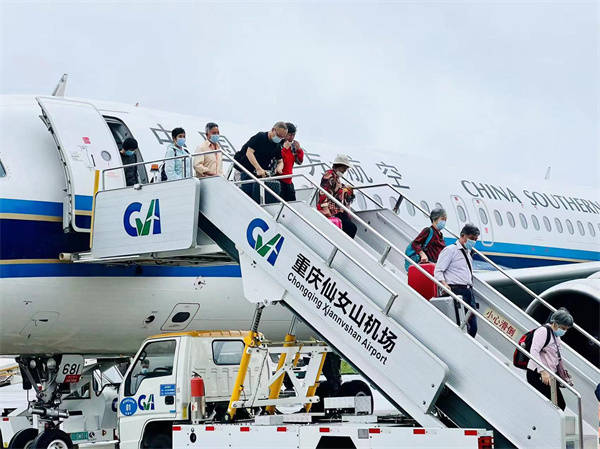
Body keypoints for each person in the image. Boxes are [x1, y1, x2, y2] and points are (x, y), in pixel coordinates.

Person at [434, 223, 480, 337]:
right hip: (456, 291)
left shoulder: (468, 253)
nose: (473, 242)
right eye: (472, 238)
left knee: (473, 327)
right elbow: (438, 271)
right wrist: (444, 284)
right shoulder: (450, 250)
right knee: (461, 325)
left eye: (475, 239)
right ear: (463, 235)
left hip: (468, 292)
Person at [526, 308, 574, 410]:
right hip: (538, 373)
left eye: (566, 329)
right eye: (563, 328)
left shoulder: (556, 336)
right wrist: (542, 371)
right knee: (558, 405)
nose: (564, 331)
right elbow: (534, 351)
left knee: (560, 405)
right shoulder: (543, 331)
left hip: (550, 375)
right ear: (555, 324)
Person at [236, 122, 286, 203]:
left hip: (258, 174)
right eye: (279, 136)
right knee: (246, 195)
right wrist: (258, 168)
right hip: (244, 169)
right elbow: (249, 152)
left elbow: (280, 161)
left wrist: (279, 167)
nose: (279, 139)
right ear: (273, 130)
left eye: (282, 138)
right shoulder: (260, 137)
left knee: (257, 197)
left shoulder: (277, 145)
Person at [317, 155, 357, 238]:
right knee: (351, 228)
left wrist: (346, 189)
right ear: (339, 166)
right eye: (344, 168)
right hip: (330, 209)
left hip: (336, 209)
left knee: (349, 224)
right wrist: (325, 208)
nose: (345, 170)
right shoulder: (329, 176)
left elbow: (337, 188)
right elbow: (323, 192)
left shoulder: (335, 176)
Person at [279, 122, 304, 201]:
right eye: (289, 135)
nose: (292, 137)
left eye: (293, 135)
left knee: (292, 202)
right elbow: (278, 160)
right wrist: (285, 149)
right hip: (279, 179)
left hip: (289, 180)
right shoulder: (278, 144)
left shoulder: (293, 146)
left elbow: (299, 162)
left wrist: (299, 150)